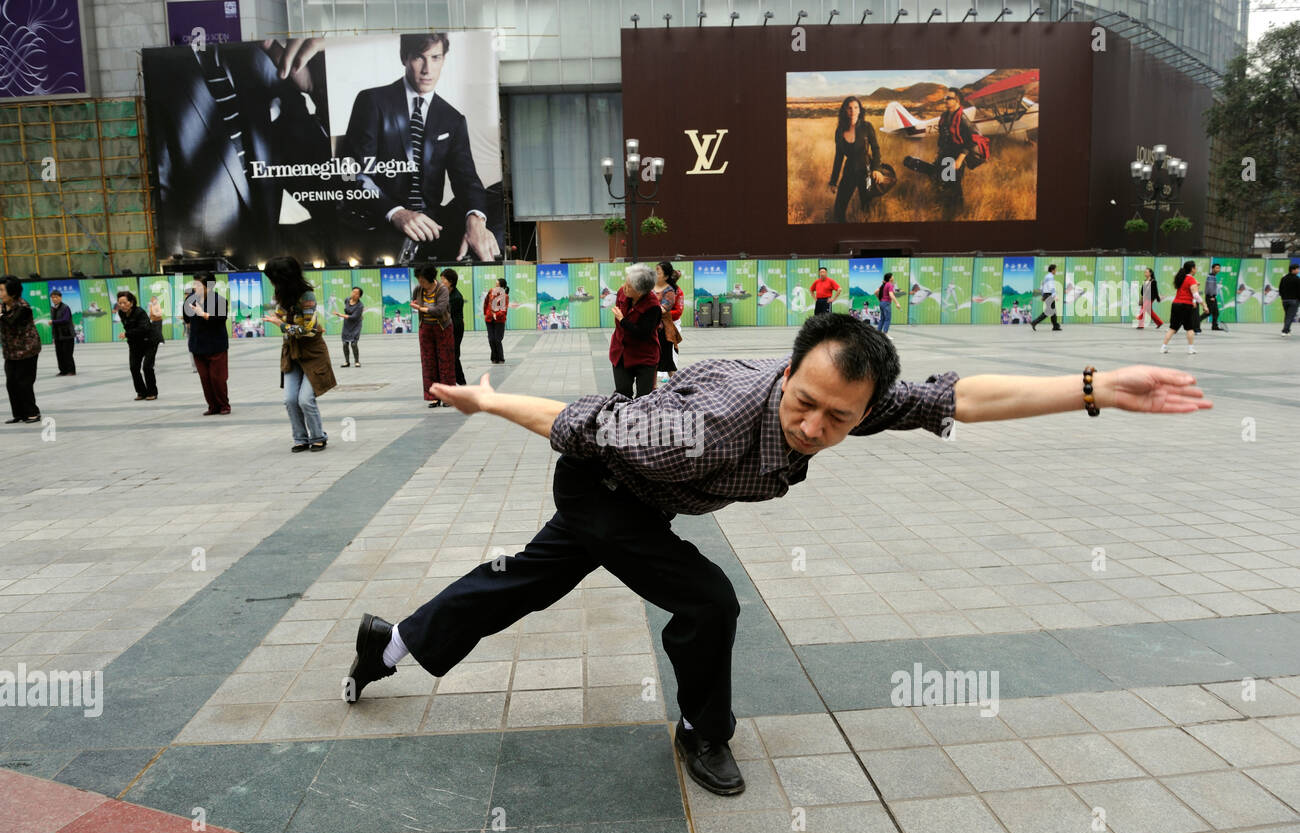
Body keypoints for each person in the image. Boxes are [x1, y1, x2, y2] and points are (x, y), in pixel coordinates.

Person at [342, 313, 1213, 796]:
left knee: (521, 584)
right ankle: (703, 733)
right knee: (710, 599)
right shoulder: (709, 420)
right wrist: (489, 401)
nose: (814, 426)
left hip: (641, 499)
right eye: (804, 405)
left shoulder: (856, 395)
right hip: (605, 486)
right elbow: (578, 420)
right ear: (789, 369)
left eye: (839, 418)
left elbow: (962, 397)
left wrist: (1093, 387)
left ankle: (387, 646)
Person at [142, 39, 333, 266]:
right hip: (208, 261)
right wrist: (179, 268)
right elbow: (164, 183)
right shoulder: (164, 69)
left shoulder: (259, 58)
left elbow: (321, 169)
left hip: (271, 252)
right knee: (212, 302)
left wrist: (315, 90)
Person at [339, 33, 500, 264]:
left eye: (435, 58)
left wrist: (476, 219)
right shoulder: (372, 101)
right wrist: (396, 212)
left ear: (444, 59)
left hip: (432, 225)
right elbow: (351, 172)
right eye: (419, 58)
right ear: (404, 57)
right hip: (380, 217)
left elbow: (467, 180)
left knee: (494, 198)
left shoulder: (452, 119)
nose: (427, 69)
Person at [263, 255, 335, 451]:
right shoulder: (281, 295)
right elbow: (279, 314)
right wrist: (277, 318)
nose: (271, 282)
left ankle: (318, 436)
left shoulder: (307, 297)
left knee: (305, 399)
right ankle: (300, 438)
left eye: (273, 278)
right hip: (291, 354)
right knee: (289, 399)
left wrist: (282, 324)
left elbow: (309, 331)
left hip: (313, 353)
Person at [828, 96, 885, 222]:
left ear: (860, 110)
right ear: (845, 111)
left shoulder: (867, 126)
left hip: (867, 171)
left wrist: (877, 169)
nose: (852, 110)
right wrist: (833, 181)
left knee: (867, 207)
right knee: (839, 208)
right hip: (849, 171)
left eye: (855, 107)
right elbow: (838, 157)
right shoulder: (840, 131)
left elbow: (875, 148)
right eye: (849, 108)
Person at [609, 263, 661, 399]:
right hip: (620, 353)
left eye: (629, 286)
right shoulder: (622, 292)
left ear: (640, 291)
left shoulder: (653, 306)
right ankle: (623, 419)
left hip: (644, 356)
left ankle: (641, 420)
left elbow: (643, 333)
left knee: (644, 398)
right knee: (622, 394)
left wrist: (622, 320)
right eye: (625, 283)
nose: (624, 288)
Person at [184, 272, 231, 415]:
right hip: (198, 345)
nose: (195, 287)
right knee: (205, 378)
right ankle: (212, 406)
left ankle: (224, 405)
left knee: (217, 378)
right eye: (194, 284)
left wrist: (203, 313)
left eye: (198, 284)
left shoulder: (220, 300)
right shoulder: (190, 300)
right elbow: (186, 319)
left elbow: (220, 319)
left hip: (216, 345)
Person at [412, 265, 455, 407]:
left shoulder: (442, 289)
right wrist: (415, 304)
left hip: (442, 328)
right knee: (428, 362)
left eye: (423, 280)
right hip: (425, 328)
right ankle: (433, 396)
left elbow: (439, 310)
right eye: (419, 280)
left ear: (431, 279)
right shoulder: (418, 289)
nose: (420, 283)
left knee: (445, 361)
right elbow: (414, 300)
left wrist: (421, 308)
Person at [1, 275, 41, 423]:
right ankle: (18, 414)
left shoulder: (23, 307)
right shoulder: (3, 306)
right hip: (10, 351)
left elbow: (12, 322)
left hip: (27, 350)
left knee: (24, 382)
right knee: (11, 382)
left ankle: (32, 413)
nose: (0, 294)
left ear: (12, 292)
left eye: (2, 290)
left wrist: (0, 315)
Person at [934, 88, 979, 219]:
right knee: (944, 181)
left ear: (957, 100)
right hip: (944, 154)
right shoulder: (944, 116)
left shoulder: (963, 119)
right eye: (945, 98)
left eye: (949, 98)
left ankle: (957, 214)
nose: (945, 100)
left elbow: (971, 140)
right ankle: (946, 210)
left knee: (954, 185)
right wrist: (938, 153)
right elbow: (942, 137)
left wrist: (960, 159)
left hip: (955, 156)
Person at [118, 289, 162, 400]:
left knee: (147, 367)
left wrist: (127, 334)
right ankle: (141, 392)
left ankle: (152, 392)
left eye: (124, 302)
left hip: (150, 341)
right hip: (135, 343)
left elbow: (144, 328)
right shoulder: (121, 313)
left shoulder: (139, 312)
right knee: (133, 367)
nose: (122, 305)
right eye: (120, 303)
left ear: (131, 302)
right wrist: (129, 336)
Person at [1161, 261, 1203, 356]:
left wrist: (1196, 285)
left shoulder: (1181, 278)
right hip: (1185, 306)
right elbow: (1195, 294)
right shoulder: (1191, 279)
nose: (1196, 269)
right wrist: (1204, 304)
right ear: (1192, 269)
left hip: (1176, 304)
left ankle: (1163, 347)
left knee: (1172, 328)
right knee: (1189, 328)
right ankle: (1191, 349)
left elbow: (1186, 289)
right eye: (1195, 268)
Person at [654, 261, 683, 384]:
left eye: (658, 272)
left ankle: (677, 387)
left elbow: (670, 310)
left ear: (666, 276)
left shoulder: (672, 291)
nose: (655, 274)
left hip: (666, 329)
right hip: (653, 328)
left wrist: (648, 310)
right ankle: (653, 388)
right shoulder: (652, 288)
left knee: (668, 361)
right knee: (654, 362)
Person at [442, 268, 467, 385]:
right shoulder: (446, 293)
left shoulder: (456, 297)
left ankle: (461, 381)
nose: (441, 282)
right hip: (449, 327)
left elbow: (449, 314)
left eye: (443, 280)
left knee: (454, 355)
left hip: (456, 328)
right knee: (451, 355)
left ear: (451, 281)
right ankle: (459, 380)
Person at [335, 287, 364, 367]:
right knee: (345, 343)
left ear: (359, 296)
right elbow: (347, 310)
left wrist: (340, 315)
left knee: (354, 344)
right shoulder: (347, 300)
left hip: (356, 325)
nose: (353, 294)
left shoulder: (360, 305)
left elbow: (353, 317)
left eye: (356, 293)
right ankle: (347, 362)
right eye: (353, 292)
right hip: (347, 324)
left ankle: (357, 361)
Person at [49, 289, 75, 376]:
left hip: (67, 335)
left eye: (56, 297)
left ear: (60, 297)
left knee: (67, 354)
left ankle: (71, 371)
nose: (54, 299)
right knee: (59, 354)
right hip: (57, 335)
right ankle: (63, 371)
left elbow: (65, 319)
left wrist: (53, 322)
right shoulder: (53, 309)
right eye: (52, 298)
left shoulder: (65, 307)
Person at [484, 278, 508, 364]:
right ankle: (494, 358)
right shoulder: (491, 291)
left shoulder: (505, 296)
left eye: (497, 284)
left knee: (497, 340)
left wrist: (496, 315)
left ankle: (500, 358)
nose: (495, 285)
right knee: (491, 339)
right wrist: (485, 313)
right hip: (489, 319)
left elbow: (503, 310)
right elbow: (486, 302)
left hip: (499, 320)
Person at [1031, 264, 1060, 331]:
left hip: (1047, 295)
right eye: (1055, 269)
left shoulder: (1046, 276)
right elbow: (1051, 287)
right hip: (1049, 295)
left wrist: (1043, 295)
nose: (1056, 271)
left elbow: (1042, 285)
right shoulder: (1050, 277)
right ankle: (1034, 322)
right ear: (1052, 270)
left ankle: (1055, 326)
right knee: (1049, 311)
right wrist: (1054, 295)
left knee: (1053, 311)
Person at [1204, 263, 1227, 332]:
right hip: (1210, 297)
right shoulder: (1211, 276)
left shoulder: (1213, 276)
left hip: (1213, 296)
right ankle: (1195, 324)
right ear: (1213, 268)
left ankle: (1214, 326)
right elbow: (1210, 287)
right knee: (1208, 312)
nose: (1218, 269)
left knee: (1216, 312)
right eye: (1217, 268)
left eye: (1219, 268)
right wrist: (1211, 296)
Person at [1279, 262, 1300, 335]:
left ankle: (1288, 330)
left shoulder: (1284, 278)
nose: (1298, 270)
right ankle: (1284, 331)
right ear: (1293, 270)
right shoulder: (1297, 279)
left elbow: (1280, 289)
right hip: (1294, 301)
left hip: (1285, 300)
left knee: (1288, 315)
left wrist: (1283, 297)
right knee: (1290, 316)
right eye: (1297, 269)